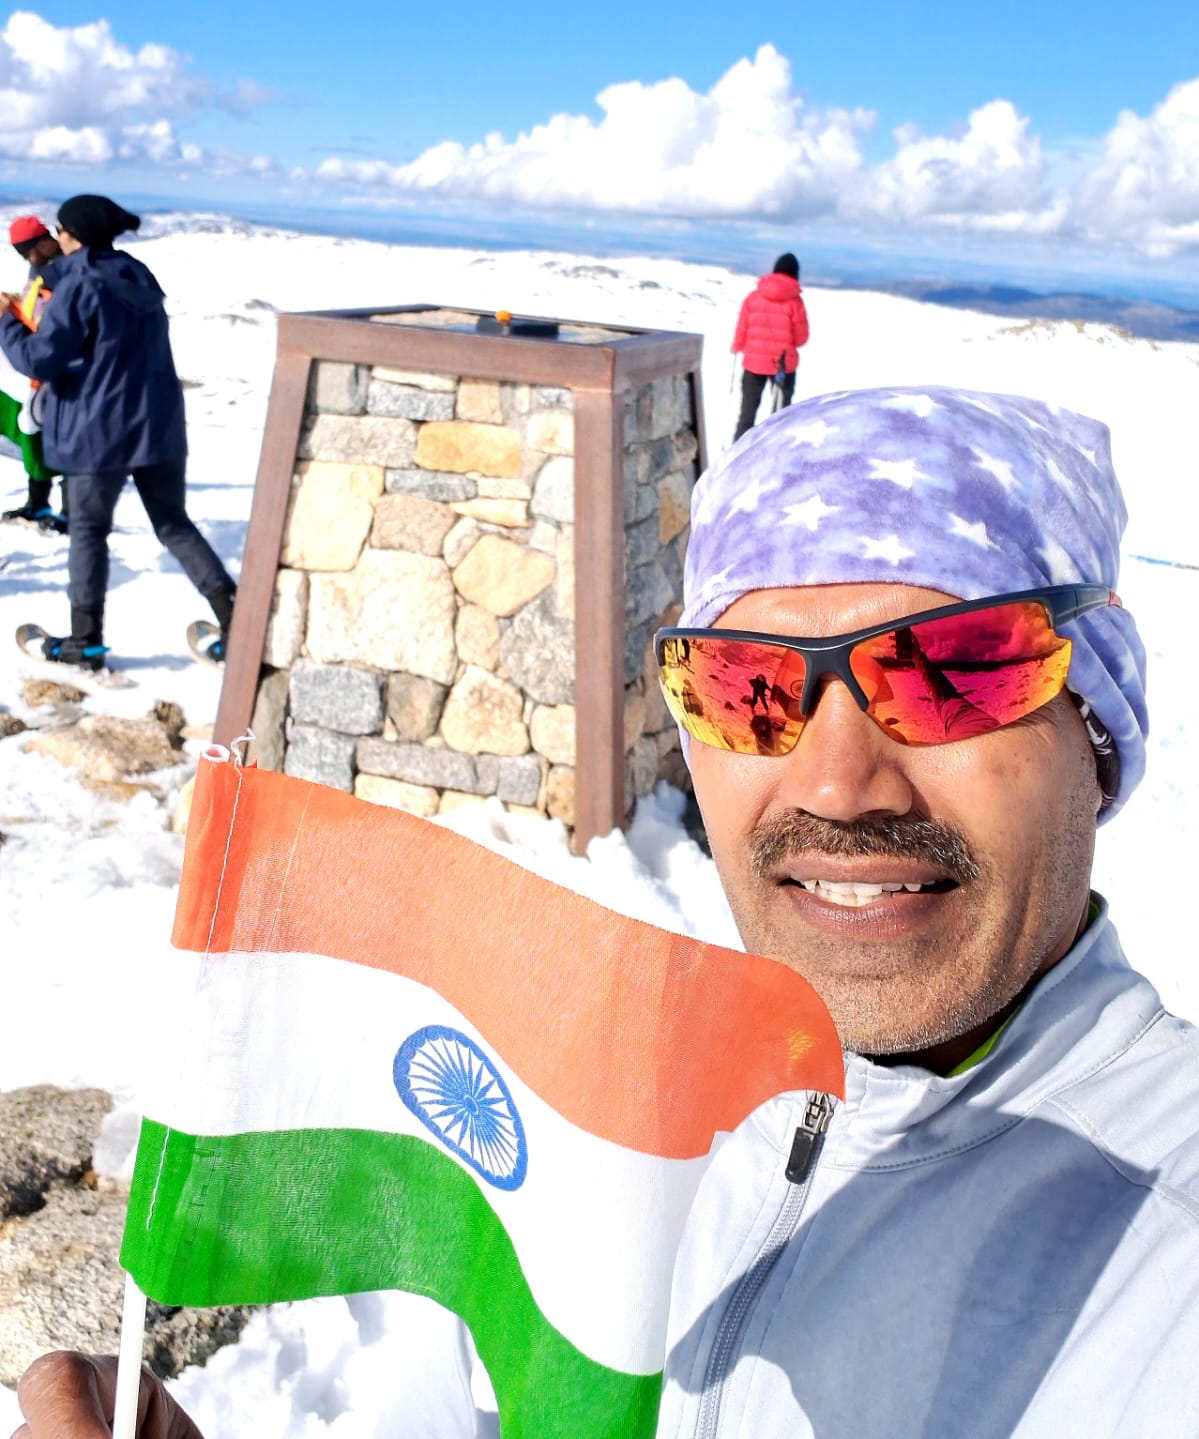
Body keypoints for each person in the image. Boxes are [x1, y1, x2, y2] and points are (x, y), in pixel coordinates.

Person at [14, 386, 1199, 1437]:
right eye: (746, 688)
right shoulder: (610, 1114)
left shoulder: (1165, 1248)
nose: (837, 784)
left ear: (1097, 734)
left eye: (950, 670)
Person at [0, 195, 236, 670]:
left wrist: (6, 322)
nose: (57, 237)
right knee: (173, 524)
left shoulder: (80, 285)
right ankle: (238, 620)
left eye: (61, 230)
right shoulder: (137, 274)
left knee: (87, 532)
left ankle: (84, 643)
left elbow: (41, 358)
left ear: (73, 235)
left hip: (97, 431)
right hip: (159, 426)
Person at [0, 215, 67, 531]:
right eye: (21, 252)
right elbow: (35, 304)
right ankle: (38, 505)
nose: (28, 258)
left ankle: (67, 513)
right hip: (40, 369)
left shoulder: (66, 268)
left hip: (61, 369)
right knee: (34, 428)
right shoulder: (41, 267)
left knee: (60, 436)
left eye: (29, 250)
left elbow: (52, 317)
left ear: (44, 240)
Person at [730, 252, 809, 443]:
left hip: (753, 364)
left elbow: (742, 328)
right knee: (780, 418)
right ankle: (775, 456)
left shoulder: (753, 297)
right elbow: (801, 338)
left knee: (746, 416)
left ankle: (735, 459)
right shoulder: (795, 302)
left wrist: (738, 346)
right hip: (782, 366)